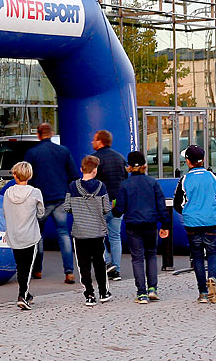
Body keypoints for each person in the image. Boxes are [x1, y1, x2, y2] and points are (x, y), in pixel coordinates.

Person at [114, 150, 170, 303]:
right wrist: (165, 224)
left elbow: (120, 209)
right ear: (145, 165)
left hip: (133, 225)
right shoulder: (153, 183)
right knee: (151, 255)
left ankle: (141, 293)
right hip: (151, 224)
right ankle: (153, 289)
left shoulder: (125, 185)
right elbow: (161, 206)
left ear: (129, 167)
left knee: (137, 258)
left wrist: (113, 210)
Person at [26, 122, 80, 283]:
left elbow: (27, 177)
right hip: (60, 198)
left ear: (38, 134)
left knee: (38, 235)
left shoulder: (32, 153)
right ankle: (69, 271)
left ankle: (37, 270)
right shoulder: (63, 151)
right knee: (63, 234)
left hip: (41, 199)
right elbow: (73, 174)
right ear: (51, 133)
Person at [174, 145, 216, 304]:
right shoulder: (212, 177)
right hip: (210, 220)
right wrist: (209, 207)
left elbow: (178, 203)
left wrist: (188, 211)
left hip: (192, 222)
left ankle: (203, 292)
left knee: (197, 255)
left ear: (188, 162)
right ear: (203, 159)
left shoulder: (185, 179)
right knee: (212, 252)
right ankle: (213, 278)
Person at [63, 155, 112, 306]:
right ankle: (103, 292)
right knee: (99, 262)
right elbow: (106, 209)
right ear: (95, 170)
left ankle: (89, 294)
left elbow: (66, 207)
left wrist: (78, 211)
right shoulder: (101, 187)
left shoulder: (72, 186)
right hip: (97, 231)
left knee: (83, 264)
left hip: (80, 232)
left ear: (81, 169)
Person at [3, 161, 46, 310]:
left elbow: (4, 212)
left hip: (13, 234)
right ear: (30, 175)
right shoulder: (35, 192)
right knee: (27, 267)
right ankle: (22, 295)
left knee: (20, 265)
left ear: (15, 175)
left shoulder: (8, 193)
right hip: (30, 234)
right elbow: (41, 213)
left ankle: (26, 294)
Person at [92, 129, 128, 281]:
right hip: (117, 202)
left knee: (95, 234)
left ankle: (106, 263)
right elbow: (125, 179)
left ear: (100, 142)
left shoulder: (94, 160)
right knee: (115, 236)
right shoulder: (120, 158)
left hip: (101, 202)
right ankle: (116, 270)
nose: (92, 142)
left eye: (94, 139)